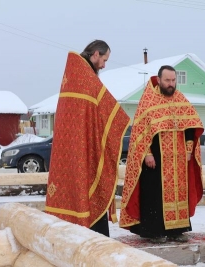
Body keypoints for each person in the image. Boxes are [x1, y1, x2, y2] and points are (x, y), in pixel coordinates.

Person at [45, 40, 130, 236]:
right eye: (104, 60)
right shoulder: (85, 76)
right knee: (87, 186)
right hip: (81, 148)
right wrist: (121, 120)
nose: (104, 65)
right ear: (96, 54)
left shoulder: (75, 74)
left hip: (69, 149)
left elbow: (92, 113)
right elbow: (107, 109)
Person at [119, 65, 204, 243]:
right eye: (167, 80)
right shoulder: (149, 100)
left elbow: (191, 126)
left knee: (179, 194)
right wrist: (147, 153)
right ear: (159, 80)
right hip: (156, 158)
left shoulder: (180, 98)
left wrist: (189, 149)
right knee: (154, 193)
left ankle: (177, 230)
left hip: (178, 159)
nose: (171, 84)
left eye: (174, 80)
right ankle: (154, 232)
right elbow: (141, 132)